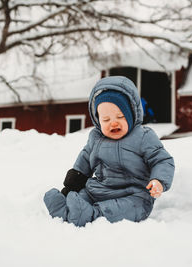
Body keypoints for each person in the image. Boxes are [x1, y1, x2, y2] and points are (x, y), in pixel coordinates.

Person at [44, 76, 174, 227]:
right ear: (97, 120)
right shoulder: (96, 138)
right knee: (83, 196)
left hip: (134, 195)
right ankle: (64, 210)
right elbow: (85, 159)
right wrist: (73, 184)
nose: (113, 122)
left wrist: (158, 180)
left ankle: (91, 215)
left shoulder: (143, 136)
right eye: (105, 119)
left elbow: (162, 160)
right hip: (99, 189)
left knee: (128, 208)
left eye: (120, 116)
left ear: (132, 114)